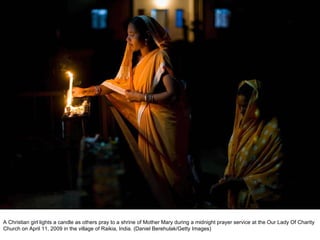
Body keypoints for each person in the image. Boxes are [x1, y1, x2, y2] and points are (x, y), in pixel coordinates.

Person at [71, 15, 194, 208]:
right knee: (153, 175)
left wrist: (141, 97)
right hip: (147, 124)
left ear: (145, 37)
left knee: (172, 174)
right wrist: (87, 91)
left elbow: (172, 93)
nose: (127, 40)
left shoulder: (160, 57)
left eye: (131, 35)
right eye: (127, 35)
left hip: (163, 124)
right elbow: (119, 86)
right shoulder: (138, 62)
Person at [209, 79, 285, 208]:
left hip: (256, 201)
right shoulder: (240, 128)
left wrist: (241, 182)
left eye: (246, 105)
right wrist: (227, 181)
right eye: (239, 106)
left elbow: (275, 175)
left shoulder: (272, 131)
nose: (242, 111)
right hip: (235, 197)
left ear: (257, 103)